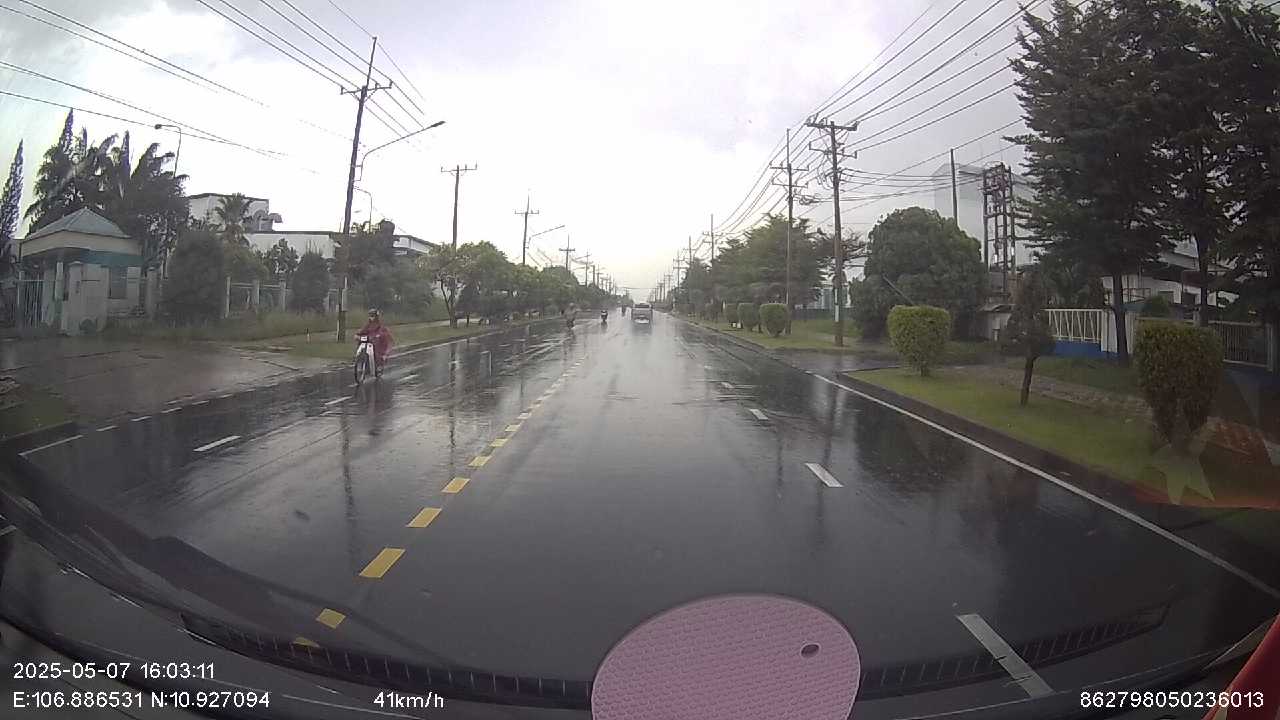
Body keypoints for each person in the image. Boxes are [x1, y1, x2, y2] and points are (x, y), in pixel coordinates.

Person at [356, 308, 393, 375]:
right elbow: (362, 331)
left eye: (373, 316)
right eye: (370, 316)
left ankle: (378, 365)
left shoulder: (381, 326)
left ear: (376, 317)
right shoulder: (368, 324)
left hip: (377, 342)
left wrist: (379, 336)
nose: (371, 318)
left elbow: (385, 335)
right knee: (360, 345)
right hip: (368, 340)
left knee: (376, 350)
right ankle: (360, 361)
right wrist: (357, 335)